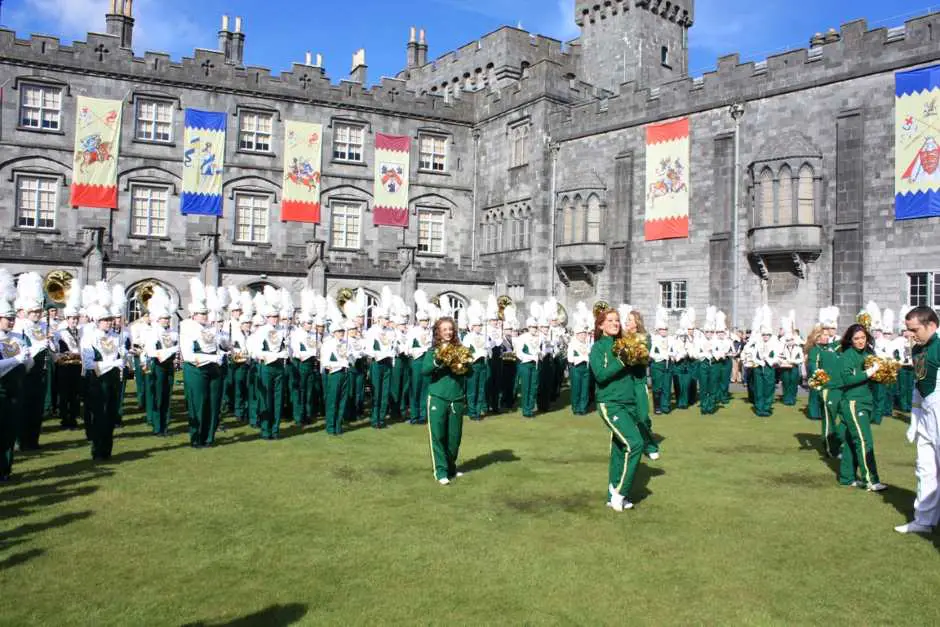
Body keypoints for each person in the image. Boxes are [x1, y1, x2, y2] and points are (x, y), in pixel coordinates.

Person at [590, 307, 646, 512]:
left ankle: (612, 493)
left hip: (629, 403)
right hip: (610, 403)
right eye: (611, 320)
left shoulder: (624, 343)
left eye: (617, 321)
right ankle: (620, 492)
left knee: (619, 449)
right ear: (601, 325)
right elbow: (601, 375)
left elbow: (638, 375)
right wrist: (622, 360)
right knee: (635, 444)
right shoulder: (598, 347)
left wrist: (639, 354)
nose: (615, 323)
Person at [895, 306, 940, 533]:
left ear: (931, 325)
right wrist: (914, 420)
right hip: (925, 412)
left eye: (914, 330)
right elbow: (918, 384)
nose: (910, 334)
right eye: (907, 329)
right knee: (925, 468)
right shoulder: (917, 350)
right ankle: (924, 520)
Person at [834, 322, 886, 491]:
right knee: (864, 441)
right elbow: (847, 380)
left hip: (866, 400)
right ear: (850, 340)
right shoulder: (847, 355)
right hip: (853, 403)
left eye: (863, 337)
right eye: (856, 338)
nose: (860, 341)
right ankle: (870, 480)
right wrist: (869, 372)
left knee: (851, 441)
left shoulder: (868, 353)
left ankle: (847, 477)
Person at [422, 316, 469, 485]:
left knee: (454, 438)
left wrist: (465, 364)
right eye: (444, 329)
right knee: (438, 436)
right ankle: (440, 471)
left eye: (450, 329)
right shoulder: (432, 350)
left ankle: (451, 468)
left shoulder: (460, 348)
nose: (448, 332)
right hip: (438, 397)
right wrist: (439, 360)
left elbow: (469, 374)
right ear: (438, 332)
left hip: (456, 398)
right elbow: (425, 370)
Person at [80, 282, 124, 461]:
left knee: (111, 415)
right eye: (105, 320)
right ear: (97, 321)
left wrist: (122, 359)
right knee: (100, 415)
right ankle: (97, 450)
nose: (108, 323)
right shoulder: (89, 337)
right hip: (98, 381)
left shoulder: (115, 336)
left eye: (109, 320)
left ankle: (107, 450)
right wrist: (112, 363)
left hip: (113, 379)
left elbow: (120, 353)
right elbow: (89, 363)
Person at [180, 279, 224, 448]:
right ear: (194, 315)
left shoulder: (212, 328)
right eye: (201, 314)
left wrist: (225, 345)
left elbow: (220, 346)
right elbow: (188, 355)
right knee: (198, 404)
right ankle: (196, 437)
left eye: (206, 313)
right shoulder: (187, 327)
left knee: (213, 404)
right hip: (196, 369)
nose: (205, 316)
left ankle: (209, 437)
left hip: (214, 369)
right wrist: (213, 358)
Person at [13, 272, 50, 451]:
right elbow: (21, 349)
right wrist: (40, 346)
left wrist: (51, 345)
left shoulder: (43, 325)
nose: (37, 314)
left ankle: (33, 440)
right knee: (24, 406)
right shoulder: (20, 326)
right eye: (34, 312)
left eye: (38, 311)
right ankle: (21, 440)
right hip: (26, 371)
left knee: (37, 407)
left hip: (41, 371)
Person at [249, 287, 290, 441]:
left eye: (276, 316)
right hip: (266, 367)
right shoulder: (261, 331)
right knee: (266, 398)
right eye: (272, 316)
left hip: (279, 368)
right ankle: (266, 430)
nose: (275, 319)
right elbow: (256, 352)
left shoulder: (281, 330)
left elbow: (285, 347)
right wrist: (275, 355)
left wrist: (285, 352)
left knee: (278, 399)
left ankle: (275, 429)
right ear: (267, 317)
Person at [0, 270, 29, 480]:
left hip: (16, 390)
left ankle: (6, 469)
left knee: (10, 432)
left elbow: (25, 365)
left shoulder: (17, 337)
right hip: (1, 391)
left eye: (12, 318)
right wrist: (17, 360)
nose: (11, 322)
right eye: (7, 319)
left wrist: (28, 360)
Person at [621, 305, 660, 459]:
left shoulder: (645, 337)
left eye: (629, 320)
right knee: (627, 417)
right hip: (624, 383)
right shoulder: (620, 338)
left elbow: (642, 358)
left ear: (637, 322)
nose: (626, 322)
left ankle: (650, 446)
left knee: (642, 416)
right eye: (626, 319)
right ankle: (631, 445)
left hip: (638, 382)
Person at [142, 287, 178, 437]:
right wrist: (170, 351)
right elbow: (150, 351)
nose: (167, 321)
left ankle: (165, 425)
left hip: (169, 365)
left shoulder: (171, 332)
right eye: (164, 318)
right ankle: (157, 426)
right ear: (157, 319)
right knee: (157, 396)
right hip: (157, 366)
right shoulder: (152, 332)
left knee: (167, 395)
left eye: (168, 318)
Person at [55, 285, 84, 430]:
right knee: (65, 394)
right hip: (66, 367)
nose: (75, 321)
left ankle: (73, 418)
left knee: (75, 395)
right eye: (72, 318)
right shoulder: (60, 332)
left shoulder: (81, 332)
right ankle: (65, 419)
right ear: (67, 318)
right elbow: (61, 350)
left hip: (77, 366)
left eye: (76, 318)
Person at [462, 300, 489, 421]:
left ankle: (478, 411)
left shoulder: (484, 336)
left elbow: (487, 348)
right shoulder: (468, 337)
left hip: (483, 364)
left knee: (481, 389)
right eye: (478, 325)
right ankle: (472, 411)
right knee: (472, 389)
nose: (480, 327)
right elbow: (465, 352)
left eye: (480, 325)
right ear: (472, 326)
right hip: (473, 365)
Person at [751, 305, 779, 418]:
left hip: (769, 368)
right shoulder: (758, 343)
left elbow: (777, 357)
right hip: (758, 368)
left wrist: (768, 359)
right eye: (764, 335)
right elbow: (753, 356)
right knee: (759, 390)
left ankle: (767, 408)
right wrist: (759, 361)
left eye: (767, 335)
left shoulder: (774, 344)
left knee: (769, 389)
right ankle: (759, 408)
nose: (765, 336)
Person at [514, 308, 541, 419]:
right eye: (533, 327)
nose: (535, 329)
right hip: (525, 364)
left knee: (533, 387)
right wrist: (530, 357)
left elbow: (539, 349)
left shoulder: (539, 338)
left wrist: (540, 353)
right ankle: (526, 410)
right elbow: (519, 353)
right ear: (529, 327)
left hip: (535, 365)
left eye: (536, 327)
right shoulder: (522, 338)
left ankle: (530, 408)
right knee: (526, 387)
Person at [567, 302, 593, 416]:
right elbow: (570, 358)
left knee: (585, 389)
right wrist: (582, 357)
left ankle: (583, 408)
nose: (584, 336)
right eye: (581, 334)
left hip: (586, 368)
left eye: (585, 334)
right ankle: (576, 407)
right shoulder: (573, 344)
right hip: (576, 368)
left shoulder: (587, 344)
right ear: (577, 334)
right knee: (576, 389)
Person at [649, 307, 672, 415]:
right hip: (657, 365)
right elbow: (651, 354)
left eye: (666, 329)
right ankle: (657, 407)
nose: (664, 331)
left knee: (666, 386)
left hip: (668, 365)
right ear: (658, 330)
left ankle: (665, 406)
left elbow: (674, 350)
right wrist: (662, 356)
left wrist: (672, 354)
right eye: (662, 329)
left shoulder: (670, 339)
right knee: (657, 387)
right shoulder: (654, 339)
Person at [778, 312, 803, 407]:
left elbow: (801, 359)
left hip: (794, 367)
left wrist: (793, 361)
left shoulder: (798, 348)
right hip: (785, 368)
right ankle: (786, 399)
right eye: (788, 340)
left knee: (793, 383)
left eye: (791, 340)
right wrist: (783, 361)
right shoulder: (783, 348)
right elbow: (779, 357)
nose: (789, 342)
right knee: (786, 383)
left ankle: (792, 399)